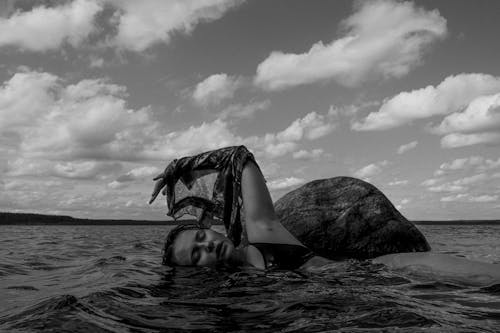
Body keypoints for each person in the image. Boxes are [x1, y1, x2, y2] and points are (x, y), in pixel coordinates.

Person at [150, 146, 500, 284]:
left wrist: (179, 166)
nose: (205, 248)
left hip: (388, 270)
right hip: (365, 298)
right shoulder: (237, 293)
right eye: (195, 256)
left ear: (211, 233)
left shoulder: (262, 230)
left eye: (199, 238)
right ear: (197, 271)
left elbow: (240, 158)